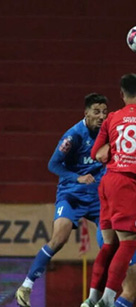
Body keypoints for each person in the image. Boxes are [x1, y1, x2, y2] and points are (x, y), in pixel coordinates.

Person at [82, 73, 136, 307]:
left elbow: (94, 153)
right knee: (128, 243)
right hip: (128, 184)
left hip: (108, 181)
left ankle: (92, 297)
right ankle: (109, 298)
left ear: (121, 94)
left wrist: (114, 151)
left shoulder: (112, 118)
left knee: (110, 245)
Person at [15, 93, 109, 307]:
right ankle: (26, 286)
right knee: (59, 238)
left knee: (108, 244)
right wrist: (77, 177)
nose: (101, 116)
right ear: (86, 112)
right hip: (71, 194)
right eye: (96, 112)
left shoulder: (108, 132)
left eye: (104, 112)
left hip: (96, 197)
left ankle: (103, 298)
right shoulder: (73, 136)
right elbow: (53, 165)